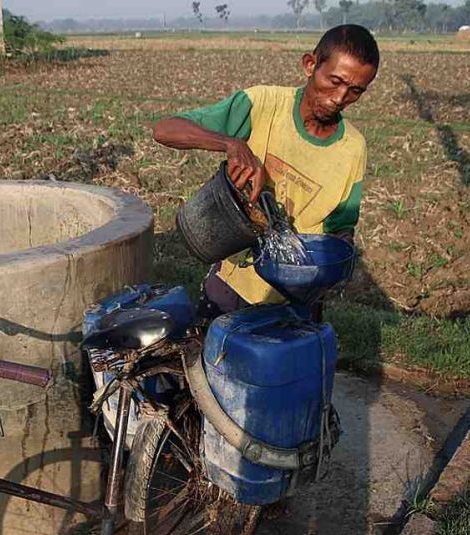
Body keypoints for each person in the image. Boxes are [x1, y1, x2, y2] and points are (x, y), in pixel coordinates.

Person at [153, 25, 379, 319]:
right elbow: (165, 130)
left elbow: (341, 227)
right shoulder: (263, 105)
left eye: (355, 91)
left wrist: (332, 270)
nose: (339, 98)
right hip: (233, 284)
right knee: (213, 357)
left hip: (295, 302)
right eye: (334, 81)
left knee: (288, 364)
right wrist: (231, 143)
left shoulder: (353, 148)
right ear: (310, 64)